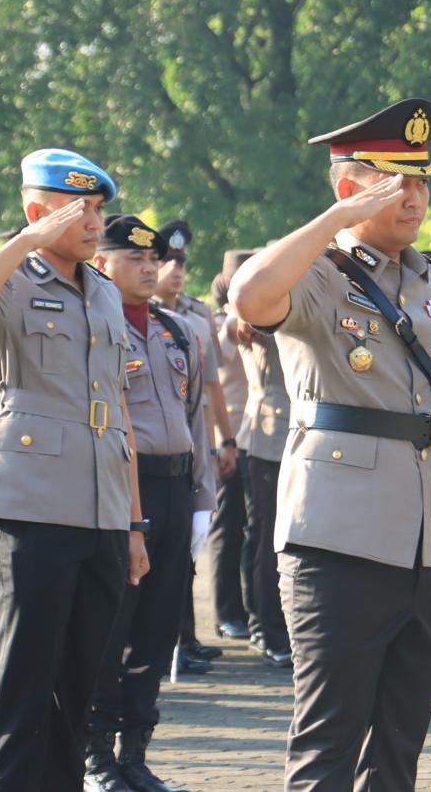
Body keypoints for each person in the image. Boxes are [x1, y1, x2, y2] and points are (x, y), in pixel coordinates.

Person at [229, 98, 431, 790]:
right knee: (328, 743)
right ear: (348, 186)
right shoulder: (321, 274)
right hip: (340, 540)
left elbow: (418, 394)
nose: (414, 195)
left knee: (398, 746)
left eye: (421, 180)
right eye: (394, 181)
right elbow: (249, 296)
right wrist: (335, 223)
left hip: (429, 537)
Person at [0, 148, 148, 791]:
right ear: (36, 211)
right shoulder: (10, 281)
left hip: (103, 512)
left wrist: (134, 523)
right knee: (23, 682)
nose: (92, 221)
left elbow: (120, 415)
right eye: (77, 209)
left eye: (97, 209)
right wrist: (24, 243)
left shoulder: (105, 294)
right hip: (28, 510)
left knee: (77, 688)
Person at [87, 214, 215, 792]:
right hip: (119, 494)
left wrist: (201, 500)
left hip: (174, 486)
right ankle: (96, 759)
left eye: (153, 258)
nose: (149, 267)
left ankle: (134, 752)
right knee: (111, 628)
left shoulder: (176, 330)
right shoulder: (93, 327)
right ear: (101, 263)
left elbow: (198, 421)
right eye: (134, 258)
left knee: (159, 630)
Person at [154, 218, 228, 673]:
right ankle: (166, 640)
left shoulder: (196, 317)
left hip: (193, 442)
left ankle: (186, 638)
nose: (175, 270)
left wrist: (223, 442)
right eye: (166, 261)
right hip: (156, 447)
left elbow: (211, 388)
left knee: (189, 546)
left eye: (180, 263)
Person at [229, 291, 294, 666]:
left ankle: (281, 624)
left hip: (302, 432)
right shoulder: (263, 304)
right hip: (268, 434)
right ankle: (266, 627)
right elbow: (240, 324)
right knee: (267, 537)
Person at [207, 251, 255, 642]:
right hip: (231, 437)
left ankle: (254, 607)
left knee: (257, 529)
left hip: (263, 437)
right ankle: (226, 611)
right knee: (228, 527)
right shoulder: (221, 322)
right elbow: (223, 349)